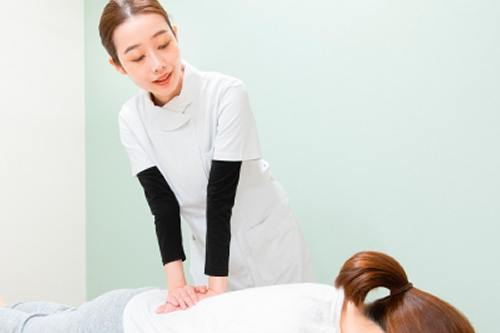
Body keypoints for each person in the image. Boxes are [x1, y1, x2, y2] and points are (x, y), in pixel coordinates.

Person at [98, 0, 315, 313]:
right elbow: (163, 204)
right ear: (118, 65)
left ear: (175, 35)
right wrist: (177, 286)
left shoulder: (226, 94)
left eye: (163, 44)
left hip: (269, 246)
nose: (157, 63)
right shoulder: (131, 118)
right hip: (208, 253)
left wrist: (217, 290)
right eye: (137, 57)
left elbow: (220, 195)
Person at [0, 251, 475, 333]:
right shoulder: (295, 324)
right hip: (119, 326)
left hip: (147, 309)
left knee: (42, 318)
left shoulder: (341, 307)